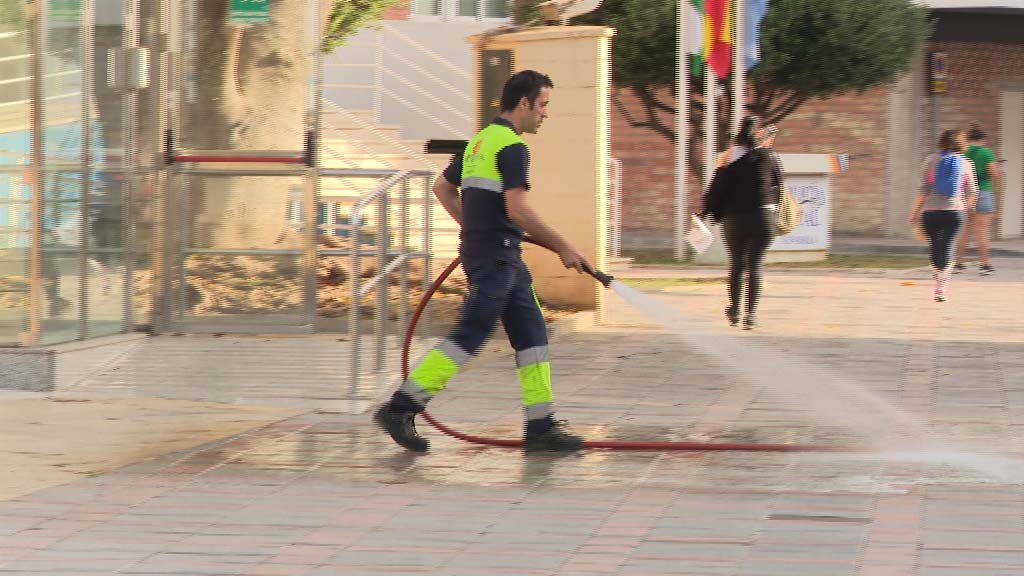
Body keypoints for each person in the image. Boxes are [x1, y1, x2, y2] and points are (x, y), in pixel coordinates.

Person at [374, 70, 591, 453]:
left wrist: (476, 228)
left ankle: (540, 426)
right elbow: (518, 208)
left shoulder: (479, 142)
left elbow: (442, 188)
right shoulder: (510, 146)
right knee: (469, 335)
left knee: (532, 335)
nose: (545, 114)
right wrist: (563, 247)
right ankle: (401, 406)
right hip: (495, 258)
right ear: (523, 103)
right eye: (542, 106)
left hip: (499, 255)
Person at [699, 116, 781, 330]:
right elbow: (779, 183)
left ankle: (734, 309)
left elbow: (714, 190)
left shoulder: (727, 159)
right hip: (763, 217)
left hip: (734, 218)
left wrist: (705, 212)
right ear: (758, 135)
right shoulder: (769, 156)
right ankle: (750, 316)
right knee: (755, 265)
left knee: (737, 263)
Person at [909, 129, 978, 302]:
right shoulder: (966, 163)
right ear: (962, 144)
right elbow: (972, 191)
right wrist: (968, 210)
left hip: (930, 213)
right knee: (947, 246)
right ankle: (941, 287)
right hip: (955, 212)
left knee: (935, 247)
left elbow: (923, 189)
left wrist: (915, 212)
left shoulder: (930, 161)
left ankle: (938, 280)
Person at [954, 122, 1002, 275]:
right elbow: (994, 173)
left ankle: (958, 264)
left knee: (963, 230)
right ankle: (984, 265)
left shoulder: (961, 152)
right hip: (982, 192)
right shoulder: (986, 153)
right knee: (982, 231)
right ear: (982, 139)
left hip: (964, 194)